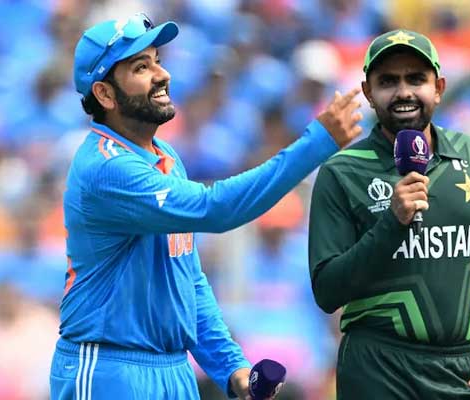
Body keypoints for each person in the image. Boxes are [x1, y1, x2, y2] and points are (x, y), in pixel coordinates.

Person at [49, 13, 363, 400]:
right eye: (140, 67)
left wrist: (232, 368)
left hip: (173, 370)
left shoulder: (166, 158)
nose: (161, 75)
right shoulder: (107, 168)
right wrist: (317, 143)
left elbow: (189, 282)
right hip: (109, 370)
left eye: (157, 61)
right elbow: (216, 209)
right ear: (105, 94)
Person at [308, 29, 470, 400]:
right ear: (368, 92)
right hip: (376, 370)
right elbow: (327, 291)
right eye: (388, 81)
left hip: (460, 368)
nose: (403, 92)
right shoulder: (341, 172)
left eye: (416, 79)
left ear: (439, 87)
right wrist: (391, 223)